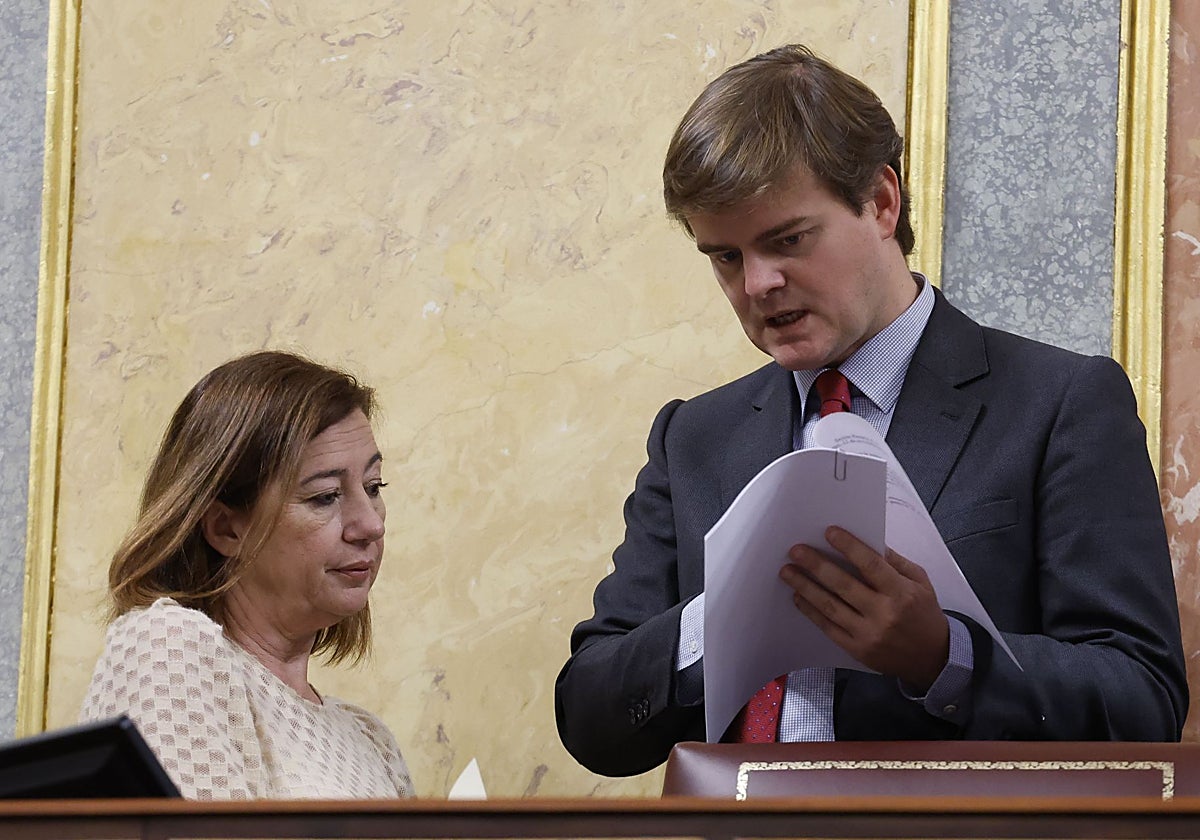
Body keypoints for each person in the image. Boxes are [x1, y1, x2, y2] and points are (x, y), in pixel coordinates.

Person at [554, 44, 1188, 777]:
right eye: (724, 257)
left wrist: (943, 657)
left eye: (786, 240)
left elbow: (1144, 703)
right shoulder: (693, 436)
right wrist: (717, 621)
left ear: (882, 202)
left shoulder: (1061, 404)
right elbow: (590, 717)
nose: (758, 283)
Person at [80, 350, 414, 800]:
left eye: (374, 488)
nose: (371, 524)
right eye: (325, 496)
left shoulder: (372, 741)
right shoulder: (167, 645)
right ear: (226, 528)